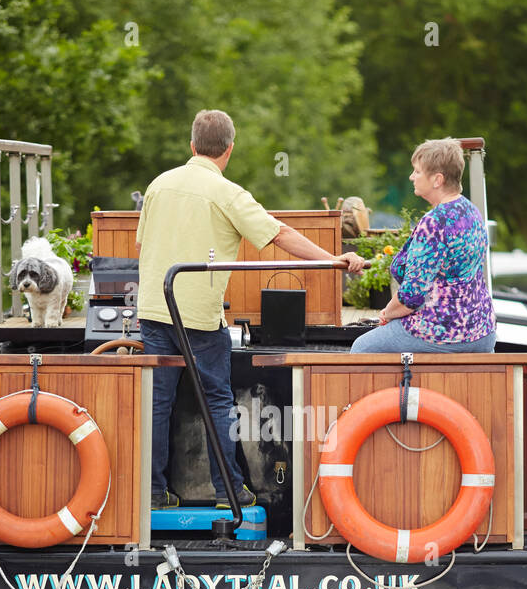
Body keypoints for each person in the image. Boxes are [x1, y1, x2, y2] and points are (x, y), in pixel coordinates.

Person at [136, 109, 365, 510]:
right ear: (229, 149)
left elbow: (141, 247)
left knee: (158, 402)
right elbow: (281, 234)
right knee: (218, 400)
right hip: (198, 316)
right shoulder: (227, 193)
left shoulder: (158, 185)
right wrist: (332, 260)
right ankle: (228, 492)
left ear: (191, 146)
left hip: (155, 308)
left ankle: (154, 494)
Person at [351, 138, 496, 353]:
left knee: (361, 348)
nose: (411, 177)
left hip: (443, 331)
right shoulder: (472, 212)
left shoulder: (435, 222)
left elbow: (412, 295)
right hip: (482, 330)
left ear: (437, 179)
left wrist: (386, 313)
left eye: (417, 171)